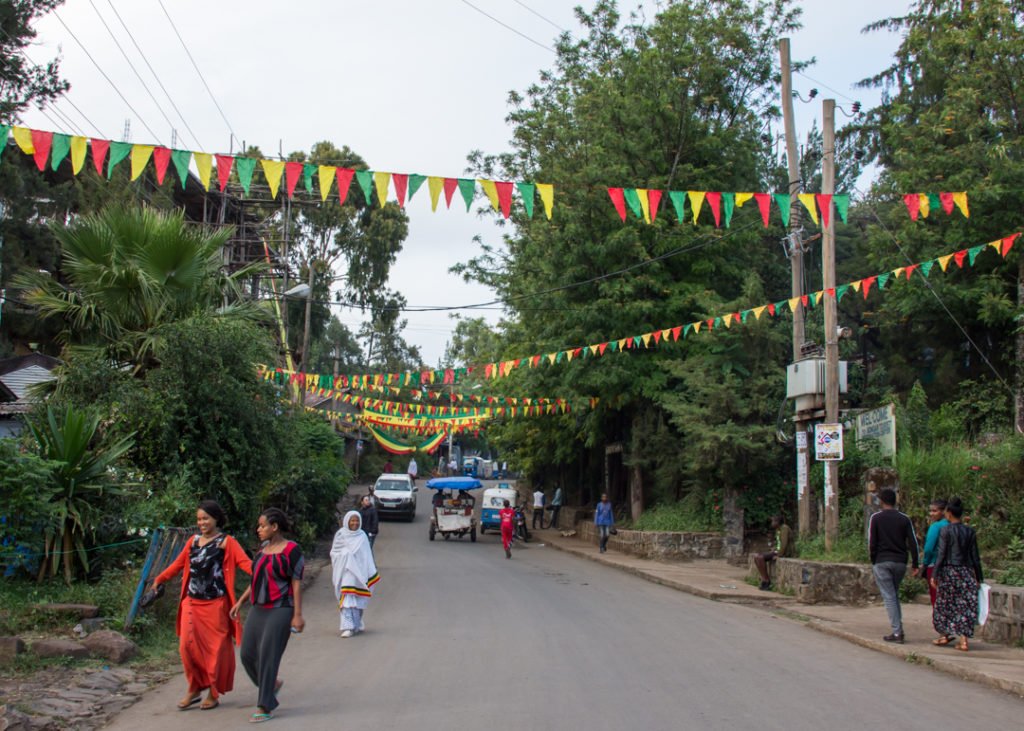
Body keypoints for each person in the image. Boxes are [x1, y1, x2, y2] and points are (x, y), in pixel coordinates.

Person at [153, 500, 252, 711]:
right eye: (199, 519)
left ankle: (212, 693)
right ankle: (194, 688)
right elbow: (178, 565)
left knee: (215, 651)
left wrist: (268, 571)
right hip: (191, 603)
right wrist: (159, 579)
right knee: (187, 647)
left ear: (216, 519)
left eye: (205, 518)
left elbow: (246, 565)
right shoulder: (192, 541)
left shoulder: (227, 542)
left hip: (216, 605)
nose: (202, 522)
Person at [231, 508, 305, 724]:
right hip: (258, 608)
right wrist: (241, 601)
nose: (258, 530)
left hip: (281, 608)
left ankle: (265, 705)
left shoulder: (292, 550)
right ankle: (271, 685)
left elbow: (297, 582)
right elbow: (256, 578)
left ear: (275, 527)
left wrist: (297, 615)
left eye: (262, 526)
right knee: (247, 655)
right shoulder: (263, 550)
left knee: (268, 656)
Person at [930, 497, 983, 651]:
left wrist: (935, 573)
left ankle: (944, 635)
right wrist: (979, 577)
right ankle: (964, 641)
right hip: (966, 572)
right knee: (965, 604)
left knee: (945, 604)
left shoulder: (945, 530)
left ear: (949, 513)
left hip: (949, 571)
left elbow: (942, 553)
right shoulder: (970, 531)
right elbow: (975, 557)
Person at [868, 488, 919, 644]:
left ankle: (897, 632)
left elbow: (872, 543)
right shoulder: (904, 519)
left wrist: (874, 560)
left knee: (889, 597)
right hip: (900, 562)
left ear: (881, 501)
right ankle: (898, 629)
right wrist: (915, 563)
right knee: (893, 594)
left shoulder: (876, 518)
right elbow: (913, 543)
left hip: (882, 561)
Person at [330, 511, 380, 639]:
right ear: (347, 521)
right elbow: (334, 553)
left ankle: (356, 625)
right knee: (347, 599)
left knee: (358, 600)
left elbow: (367, 557)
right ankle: (347, 627)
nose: (355, 523)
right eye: (352, 520)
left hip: (360, 574)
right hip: (346, 573)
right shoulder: (341, 535)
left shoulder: (362, 536)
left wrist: (370, 571)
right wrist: (345, 555)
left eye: (357, 520)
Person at [916, 499, 949, 606]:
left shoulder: (935, 527)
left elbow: (929, 548)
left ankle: (939, 620)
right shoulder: (954, 525)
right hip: (952, 566)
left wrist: (925, 562)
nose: (931, 514)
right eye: (930, 511)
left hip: (935, 564)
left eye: (935, 511)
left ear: (943, 511)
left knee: (936, 597)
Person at [753, 515, 794, 590]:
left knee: (760, 557)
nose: (772, 523)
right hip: (776, 550)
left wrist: (779, 554)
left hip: (783, 552)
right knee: (756, 557)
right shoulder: (779, 529)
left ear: (777, 522)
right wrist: (773, 549)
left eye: (773, 521)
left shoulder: (784, 528)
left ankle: (767, 580)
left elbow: (784, 543)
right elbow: (778, 542)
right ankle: (764, 578)